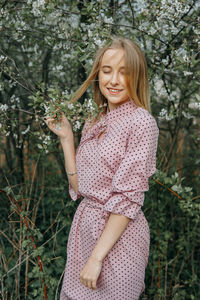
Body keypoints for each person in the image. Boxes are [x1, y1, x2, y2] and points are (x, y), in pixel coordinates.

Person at [46, 37, 159, 300]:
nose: (114, 80)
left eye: (124, 72)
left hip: (119, 241)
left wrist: (96, 258)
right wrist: (67, 140)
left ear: (137, 77)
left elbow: (127, 198)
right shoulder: (95, 120)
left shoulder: (141, 123)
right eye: (107, 71)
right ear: (98, 74)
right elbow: (81, 189)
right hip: (85, 233)